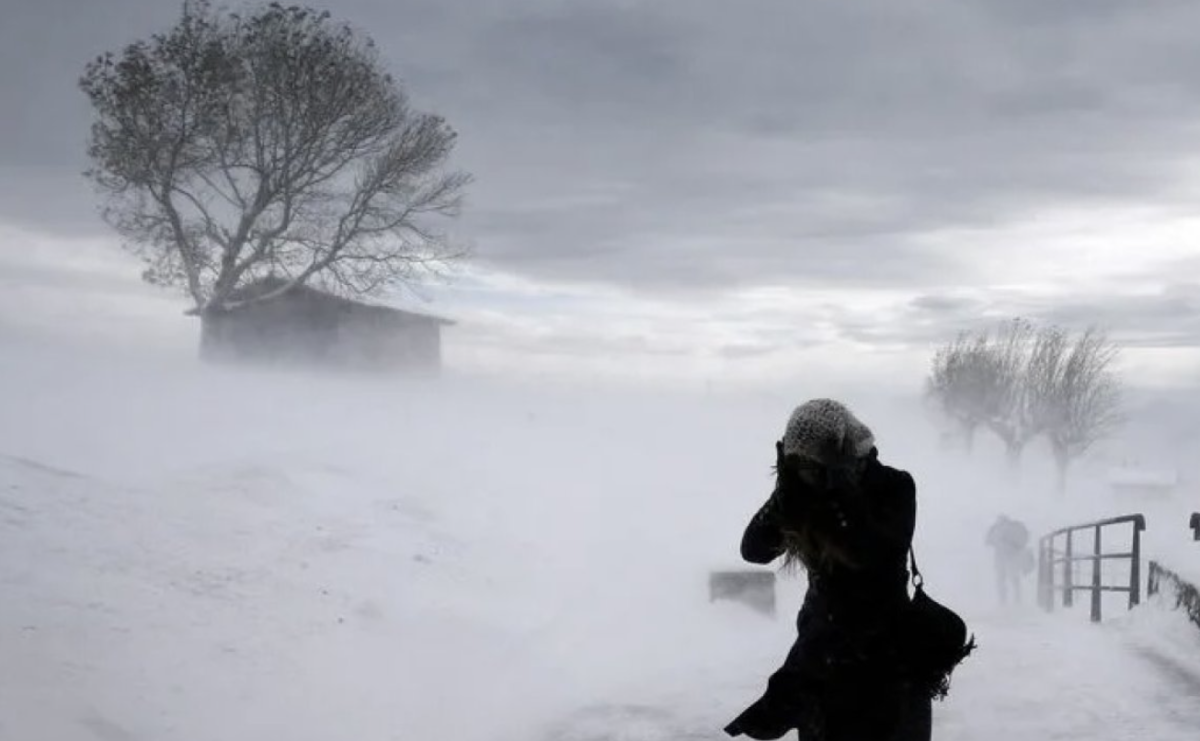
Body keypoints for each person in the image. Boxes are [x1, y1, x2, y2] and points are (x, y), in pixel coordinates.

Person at [724, 399, 932, 741]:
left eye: (811, 461)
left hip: (889, 660)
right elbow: (754, 550)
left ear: (841, 453)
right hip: (822, 661)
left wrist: (842, 492)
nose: (805, 470)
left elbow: (875, 558)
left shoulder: (893, 485)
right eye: (797, 462)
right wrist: (784, 491)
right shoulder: (803, 492)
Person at [985, 515, 1032, 606]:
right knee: (1014, 579)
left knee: (1001, 580)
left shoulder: (996, 529)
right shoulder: (1013, 527)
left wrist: (996, 542)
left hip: (1001, 558)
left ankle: (1003, 601)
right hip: (1012, 557)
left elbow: (988, 541)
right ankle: (1017, 599)